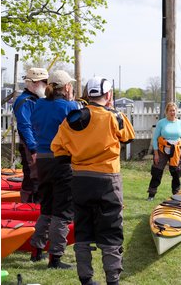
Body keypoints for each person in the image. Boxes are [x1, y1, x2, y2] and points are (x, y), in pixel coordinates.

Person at [51, 76, 135, 285]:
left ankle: (86, 279)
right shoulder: (116, 116)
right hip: (108, 180)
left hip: (80, 180)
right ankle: (113, 279)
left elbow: (57, 149)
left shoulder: (73, 118)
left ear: (88, 94)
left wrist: (76, 156)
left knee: (83, 229)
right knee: (111, 229)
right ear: (108, 95)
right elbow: (128, 137)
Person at [29, 70, 79, 268]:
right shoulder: (69, 106)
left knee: (47, 206)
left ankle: (36, 250)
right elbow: (78, 132)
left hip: (42, 160)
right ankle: (55, 257)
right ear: (67, 87)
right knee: (63, 210)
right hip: (61, 160)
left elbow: (35, 125)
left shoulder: (39, 104)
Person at [13, 67, 48, 203]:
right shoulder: (25, 102)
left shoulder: (36, 99)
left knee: (39, 179)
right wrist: (33, 148)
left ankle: (37, 210)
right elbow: (25, 126)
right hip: (31, 146)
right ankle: (29, 209)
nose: (46, 87)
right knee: (33, 179)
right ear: (35, 84)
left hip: (39, 145)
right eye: (44, 83)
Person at [146, 102, 181, 200]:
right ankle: (151, 194)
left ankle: (176, 194)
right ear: (166, 112)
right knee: (157, 171)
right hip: (162, 150)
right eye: (170, 110)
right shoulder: (161, 123)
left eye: (174, 110)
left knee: (176, 173)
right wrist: (156, 153)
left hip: (176, 151)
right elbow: (155, 138)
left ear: (176, 111)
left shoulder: (180, 123)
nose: (172, 112)